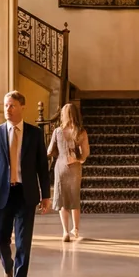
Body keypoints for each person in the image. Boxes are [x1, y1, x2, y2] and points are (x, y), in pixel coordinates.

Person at [0, 90, 52, 277]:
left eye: (11, 105)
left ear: (22, 106)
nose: (7, 109)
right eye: (5, 105)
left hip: (26, 194)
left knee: (23, 243)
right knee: (0, 239)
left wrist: (45, 195)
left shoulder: (34, 134)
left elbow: (42, 167)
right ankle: (9, 269)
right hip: (2, 194)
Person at [49, 102, 90, 242]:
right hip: (75, 169)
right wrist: (77, 159)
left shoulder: (57, 131)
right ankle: (76, 230)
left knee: (62, 200)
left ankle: (65, 232)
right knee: (74, 198)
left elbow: (49, 151)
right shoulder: (81, 132)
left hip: (60, 167)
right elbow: (85, 153)